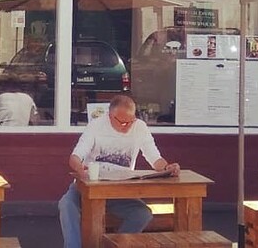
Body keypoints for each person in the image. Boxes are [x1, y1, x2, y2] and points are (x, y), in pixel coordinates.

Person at [58, 94, 180, 248]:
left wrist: (167, 167)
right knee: (66, 204)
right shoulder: (96, 125)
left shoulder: (140, 127)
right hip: (88, 188)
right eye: (122, 122)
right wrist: (79, 168)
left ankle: (114, 245)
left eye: (131, 121)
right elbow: (75, 156)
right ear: (110, 116)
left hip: (117, 191)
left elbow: (154, 157)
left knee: (142, 214)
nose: (127, 126)